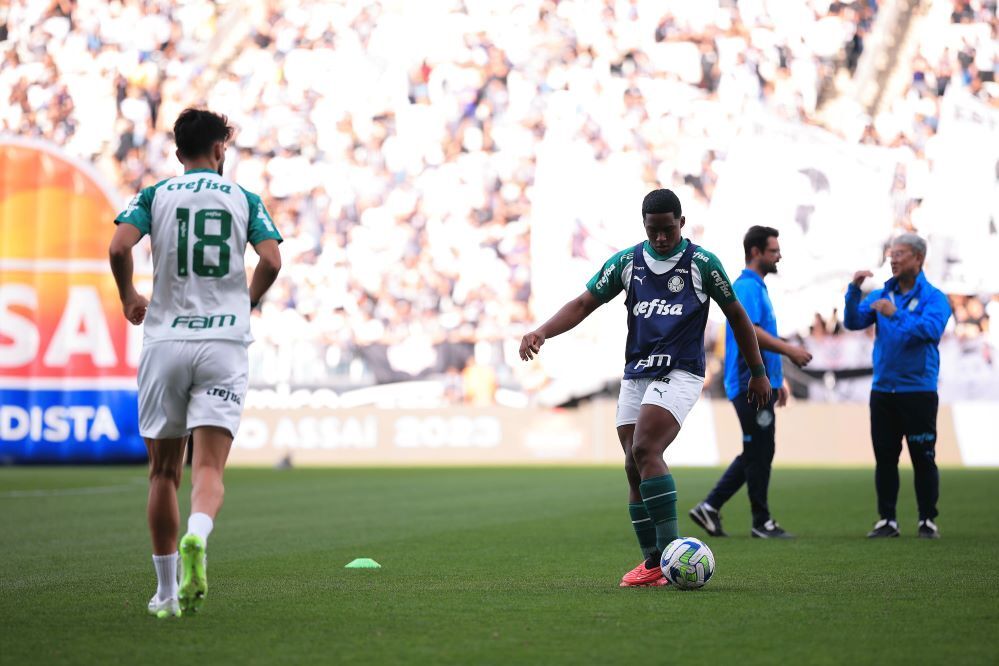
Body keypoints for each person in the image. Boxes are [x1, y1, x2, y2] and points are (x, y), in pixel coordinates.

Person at [519, 189, 770, 587]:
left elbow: (737, 316)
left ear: (682, 224)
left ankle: (672, 561)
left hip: (682, 370)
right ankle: (653, 562)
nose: (661, 238)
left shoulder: (701, 264)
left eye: (668, 229)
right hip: (637, 373)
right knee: (632, 467)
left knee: (646, 449)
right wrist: (542, 331)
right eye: (653, 230)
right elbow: (584, 303)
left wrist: (758, 371)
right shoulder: (628, 262)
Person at [108, 108, 283, 617]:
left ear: (179, 153)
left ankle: (165, 593)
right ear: (220, 149)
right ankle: (197, 534)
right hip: (224, 344)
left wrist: (128, 296)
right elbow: (271, 260)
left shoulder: (154, 195)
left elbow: (119, 245)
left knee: (163, 474)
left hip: (165, 341)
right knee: (208, 468)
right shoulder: (244, 199)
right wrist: (245, 301)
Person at [690, 226, 813, 539]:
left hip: (761, 382)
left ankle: (712, 507)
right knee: (759, 448)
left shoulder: (757, 287)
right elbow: (752, 332)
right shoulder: (746, 287)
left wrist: (779, 380)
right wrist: (789, 350)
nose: (779, 256)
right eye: (773, 251)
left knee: (759, 448)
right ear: (756, 252)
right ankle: (760, 521)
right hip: (748, 382)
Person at [843, 233, 951, 539]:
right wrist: (853, 291)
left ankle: (927, 519)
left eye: (900, 254)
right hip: (883, 392)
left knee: (923, 456)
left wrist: (897, 314)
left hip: (918, 390)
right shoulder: (882, 293)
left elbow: (930, 331)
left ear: (918, 258)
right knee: (885, 458)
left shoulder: (935, 298)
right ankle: (887, 519)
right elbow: (852, 322)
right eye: (891, 254)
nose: (893, 259)